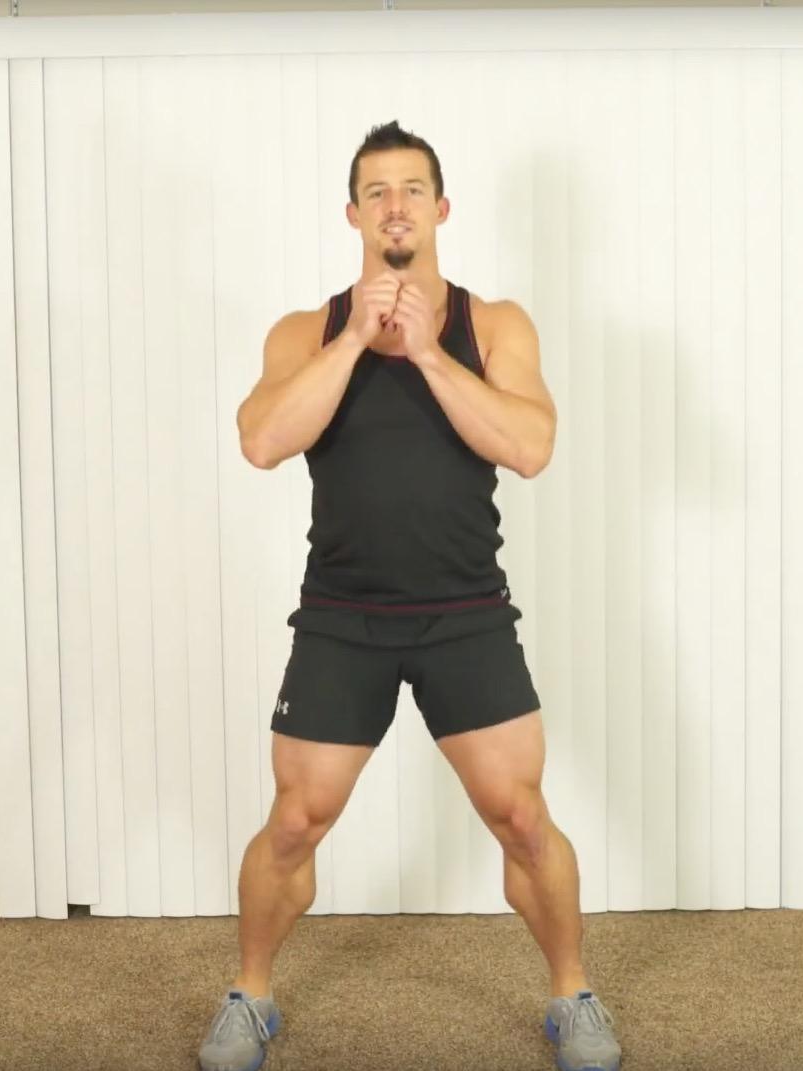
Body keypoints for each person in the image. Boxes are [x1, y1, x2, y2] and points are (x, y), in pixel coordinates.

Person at [198, 121, 622, 1071]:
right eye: (377, 191)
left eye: (412, 188)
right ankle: (250, 994)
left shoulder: (493, 325)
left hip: (466, 614)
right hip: (340, 618)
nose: (396, 205)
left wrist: (429, 353)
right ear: (352, 214)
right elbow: (262, 440)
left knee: (522, 817)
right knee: (295, 820)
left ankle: (572, 994)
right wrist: (357, 337)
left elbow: (531, 447)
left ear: (441, 208)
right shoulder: (304, 331)